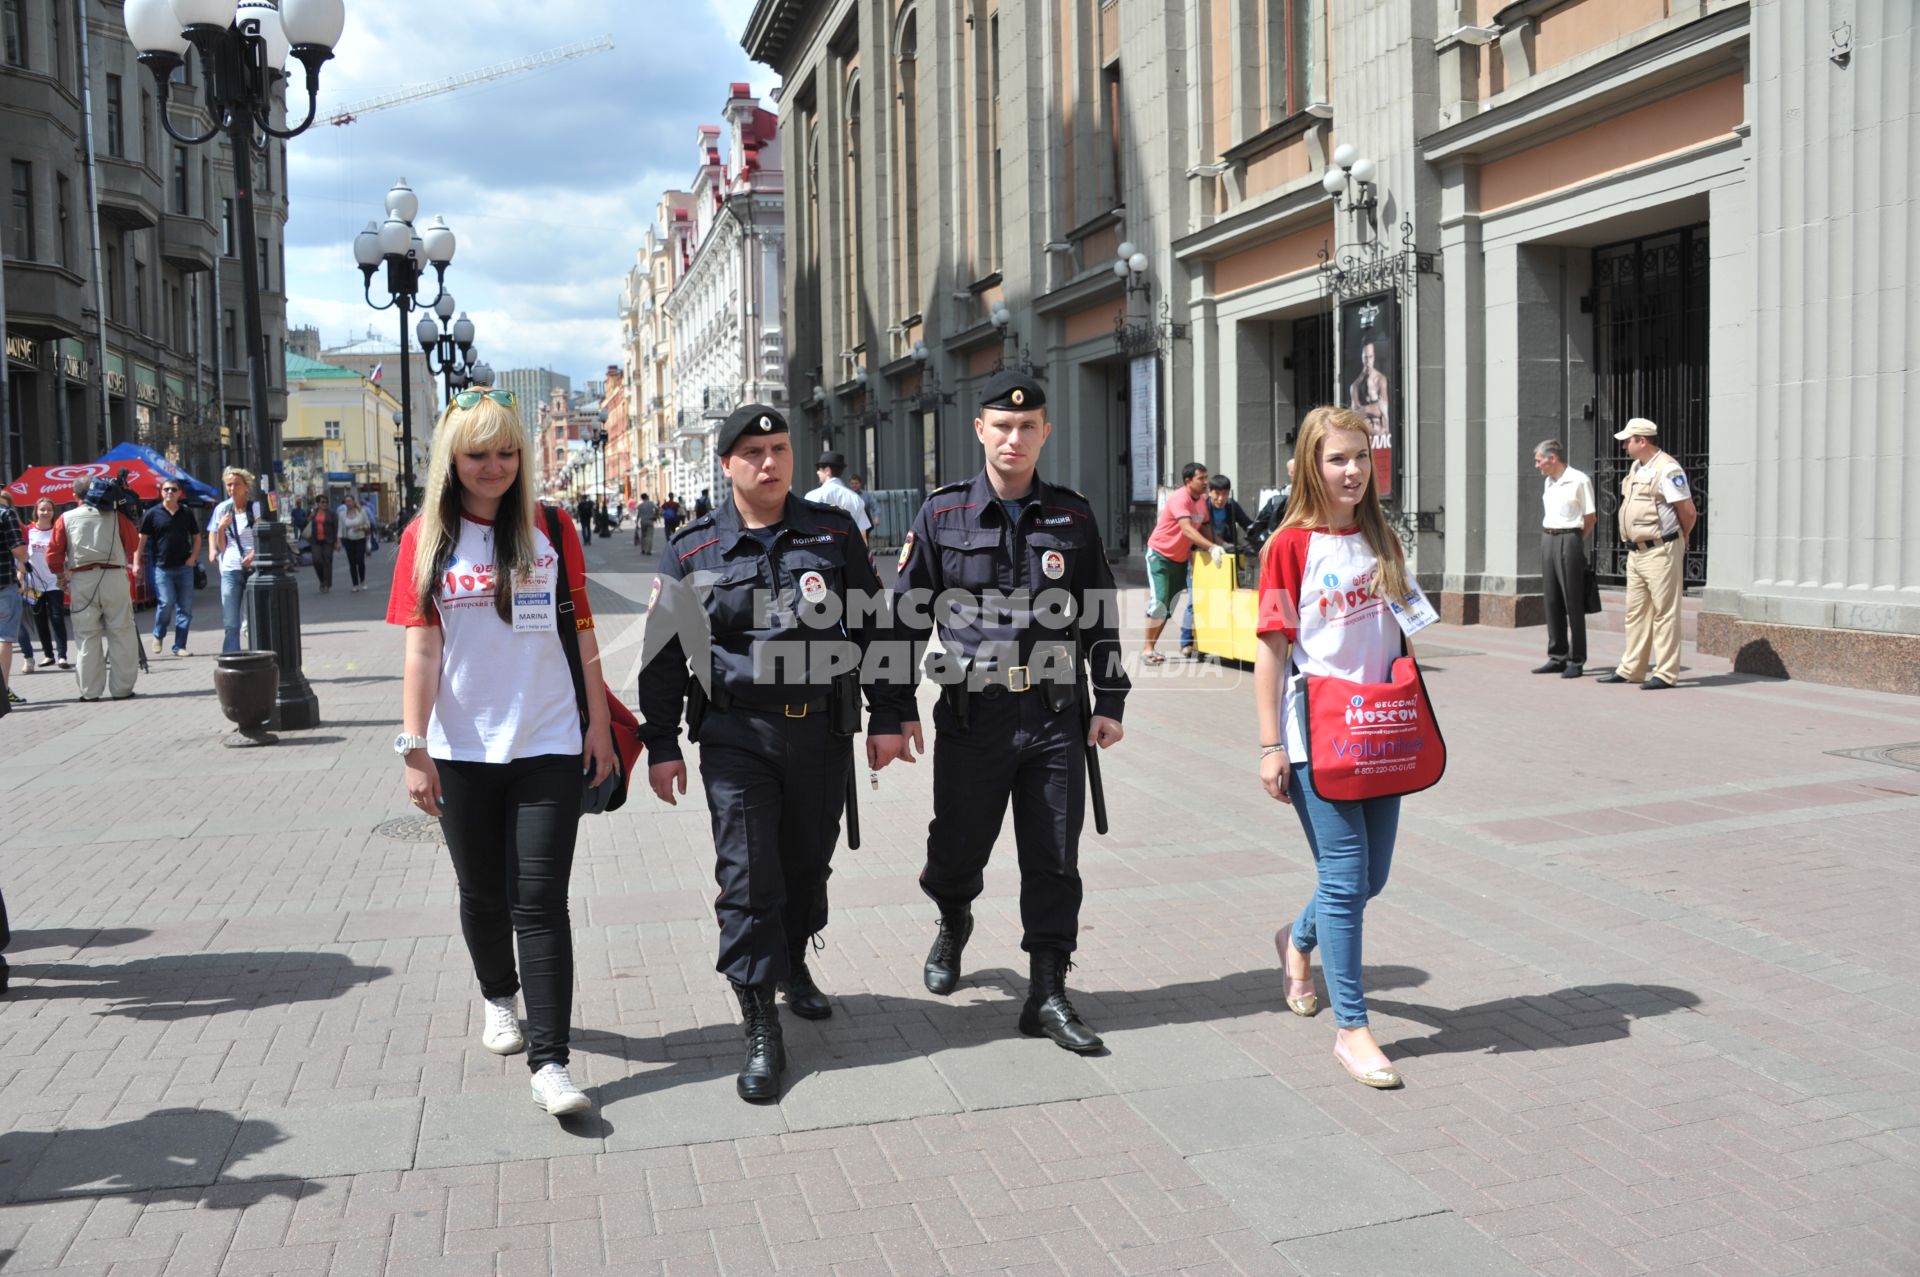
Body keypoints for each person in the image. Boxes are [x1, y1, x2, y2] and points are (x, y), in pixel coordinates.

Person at [639, 406, 913, 1102]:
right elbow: (666, 653)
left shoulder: (832, 532)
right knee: (751, 875)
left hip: (821, 729)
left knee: (804, 865)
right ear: (726, 463)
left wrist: (890, 712)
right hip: (738, 736)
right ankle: (761, 1020)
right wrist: (661, 742)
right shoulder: (693, 549)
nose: (770, 462)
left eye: (780, 448)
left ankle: (793, 958)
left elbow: (877, 626)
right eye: (754, 451)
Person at [387, 387, 612, 1120]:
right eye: (477, 453)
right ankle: (497, 995)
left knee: (540, 902)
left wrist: (600, 721)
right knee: (483, 891)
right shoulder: (426, 538)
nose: (494, 466)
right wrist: (414, 746)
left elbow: (580, 630)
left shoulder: (550, 527)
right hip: (461, 749)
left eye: (506, 451)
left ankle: (551, 1062)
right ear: (451, 460)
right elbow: (422, 648)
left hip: (548, 738)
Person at [895, 369, 1130, 1052]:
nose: (1015, 437)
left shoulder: (1073, 515)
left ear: (1045, 432)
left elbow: (1100, 616)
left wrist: (1110, 697)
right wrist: (891, 707)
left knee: (1055, 857)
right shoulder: (941, 515)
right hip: (972, 717)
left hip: (1056, 715)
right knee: (956, 848)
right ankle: (953, 913)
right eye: (1002, 425)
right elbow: (908, 617)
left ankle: (1049, 992)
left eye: (1028, 426)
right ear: (980, 431)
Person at [1253, 405, 1416, 1090]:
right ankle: (1352, 1027)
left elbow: (1405, 627)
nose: (1352, 470)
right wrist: (1268, 744)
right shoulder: (1288, 546)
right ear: (1310, 467)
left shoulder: (1384, 536)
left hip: (1381, 729)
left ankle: (1297, 938)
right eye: (1336, 458)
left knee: (1368, 879)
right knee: (1347, 876)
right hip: (1315, 734)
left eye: (1360, 456)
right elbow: (1271, 649)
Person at [1598, 418, 1695, 690]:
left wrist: (1680, 537)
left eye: (1627, 441)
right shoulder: (1636, 467)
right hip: (1636, 552)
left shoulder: (1668, 469)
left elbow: (1687, 511)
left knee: (1665, 613)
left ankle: (1665, 673)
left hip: (1661, 549)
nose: (1624, 445)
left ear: (1642, 441)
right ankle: (1632, 669)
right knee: (1636, 613)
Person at [50, 477, 142, 701]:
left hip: (82, 579)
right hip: (114, 576)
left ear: (75, 496)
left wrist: (61, 575)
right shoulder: (117, 516)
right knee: (121, 633)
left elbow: (53, 554)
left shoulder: (66, 518)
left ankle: (90, 692)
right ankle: (122, 689)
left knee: (86, 636)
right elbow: (133, 544)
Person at [1141, 462, 1218, 664]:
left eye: (1206, 477)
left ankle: (1152, 647)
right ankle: (1146, 649)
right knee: (1159, 602)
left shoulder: (1202, 500)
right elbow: (1187, 530)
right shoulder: (1179, 498)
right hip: (1160, 555)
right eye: (1201, 478)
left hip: (1180, 559)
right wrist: (1211, 547)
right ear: (1188, 481)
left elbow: (1205, 527)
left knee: (1168, 606)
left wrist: (1219, 546)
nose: (1205, 482)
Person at [1532, 440, 1596, 679]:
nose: (1537, 465)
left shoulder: (1579, 480)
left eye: (1539, 460)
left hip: (1569, 537)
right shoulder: (1549, 482)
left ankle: (1576, 659)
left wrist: (1576, 540)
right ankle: (1557, 655)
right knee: (1551, 600)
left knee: (1573, 601)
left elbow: (1590, 516)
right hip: (1547, 538)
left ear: (1552, 458)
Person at [1179, 474, 1258, 655]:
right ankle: (1187, 641)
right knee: (1196, 600)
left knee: (1224, 601)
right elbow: (1194, 532)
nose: (1221, 499)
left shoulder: (1232, 506)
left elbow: (1248, 525)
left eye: (1224, 494)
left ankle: (1215, 643)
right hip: (1200, 559)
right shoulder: (1202, 506)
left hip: (1225, 560)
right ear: (1210, 492)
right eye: (1217, 494)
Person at [135, 481, 203, 657]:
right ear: (161, 492)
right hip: (162, 568)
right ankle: (158, 633)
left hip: (184, 567)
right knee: (166, 603)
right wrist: (136, 563)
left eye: (173, 490)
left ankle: (179, 646)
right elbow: (141, 540)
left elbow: (196, 537)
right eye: (166, 489)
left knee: (185, 609)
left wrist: (193, 558)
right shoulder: (152, 514)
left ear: (179, 493)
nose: (170, 492)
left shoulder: (186, 512)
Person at [208, 468, 258, 653]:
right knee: (231, 622)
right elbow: (222, 546)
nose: (232, 488)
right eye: (229, 485)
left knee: (255, 617)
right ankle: (232, 658)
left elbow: (262, 535)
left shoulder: (255, 507)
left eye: (236, 484)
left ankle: (258, 657)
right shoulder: (222, 509)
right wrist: (221, 528)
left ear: (246, 487)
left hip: (254, 567)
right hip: (231, 568)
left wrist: (254, 553)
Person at [22, 499, 71, 672]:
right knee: (39, 620)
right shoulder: (28, 531)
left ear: (53, 512)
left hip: (54, 582)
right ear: (36, 511)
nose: (45, 513)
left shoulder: (57, 531)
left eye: (49, 509)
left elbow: (66, 554)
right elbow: (20, 555)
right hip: (31, 585)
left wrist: (67, 574)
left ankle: (62, 655)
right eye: (42, 509)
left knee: (57, 619)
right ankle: (48, 654)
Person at [803, 451, 873, 538]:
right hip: (847, 549)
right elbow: (862, 535)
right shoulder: (855, 498)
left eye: (819, 469)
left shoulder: (812, 496)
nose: (817, 472)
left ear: (827, 471)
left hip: (820, 549)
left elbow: (806, 529)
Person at [0, 494, 25, 704]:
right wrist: (25, 560)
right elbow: (18, 550)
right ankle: (2, 691)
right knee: (5, 639)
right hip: (3, 585)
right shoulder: (5, 514)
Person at [339, 492, 373, 592]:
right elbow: (340, 528)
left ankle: (362, 580)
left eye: (349, 501)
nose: (348, 503)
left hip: (360, 538)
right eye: (346, 502)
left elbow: (368, 524)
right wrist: (338, 541)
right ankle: (355, 584)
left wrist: (360, 528)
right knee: (352, 562)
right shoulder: (342, 514)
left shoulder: (361, 512)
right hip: (348, 540)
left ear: (354, 502)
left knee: (360, 560)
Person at [308, 499, 336, 592]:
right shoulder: (313, 513)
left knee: (327, 562)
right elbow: (305, 522)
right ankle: (321, 580)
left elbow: (335, 527)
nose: (325, 504)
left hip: (328, 541)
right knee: (316, 560)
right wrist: (310, 517)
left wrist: (337, 541)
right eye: (322, 502)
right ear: (318, 504)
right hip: (315, 541)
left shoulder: (331, 513)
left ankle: (327, 583)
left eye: (326, 502)